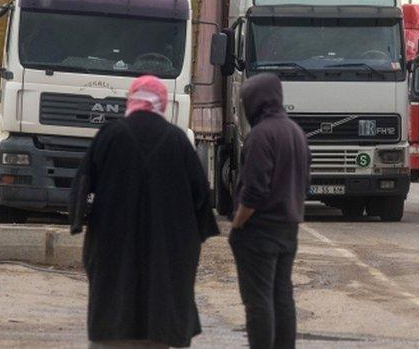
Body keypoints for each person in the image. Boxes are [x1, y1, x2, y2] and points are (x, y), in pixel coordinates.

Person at [69, 75, 220, 348]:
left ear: (132, 99)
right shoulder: (177, 140)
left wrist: (79, 220)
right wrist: (195, 235)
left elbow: (82, 182)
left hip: (113, 244)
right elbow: (201, 196)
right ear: (161, 102)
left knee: (114, 301)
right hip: (168, 247)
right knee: (159, 308)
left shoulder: (110, 135)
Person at [229, 73, 311, 349]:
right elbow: (305, 182)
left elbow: (254, 191)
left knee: (258, 301)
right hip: (289, 228)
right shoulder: (295, 132)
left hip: (260, 230)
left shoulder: (260, 136)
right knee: (282, 295)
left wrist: (238, 223)